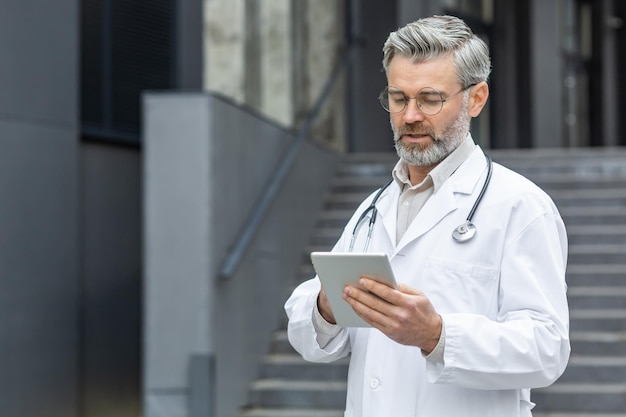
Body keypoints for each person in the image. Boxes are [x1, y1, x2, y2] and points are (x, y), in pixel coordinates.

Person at [284, 14, 570, 417]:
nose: (411, 116)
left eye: (430, 98)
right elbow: (308, 332)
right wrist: (326, 307)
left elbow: (547, 348)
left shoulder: (520, 206)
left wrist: (437, 334)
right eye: (399, 98)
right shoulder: (372, 211)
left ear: (476, 98)